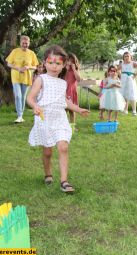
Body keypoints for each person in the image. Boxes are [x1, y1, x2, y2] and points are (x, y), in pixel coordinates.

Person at [27, 45, 89, 193]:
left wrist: (79, 109)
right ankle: (48, 173)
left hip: (60, 118)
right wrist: (35, 106)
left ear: (63, 65)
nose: (54, 66)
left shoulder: (63, 83)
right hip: (44, 119)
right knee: (47, 152)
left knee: (63, 147)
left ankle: (64, 182)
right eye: (51, 62)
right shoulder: (41, 79)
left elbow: (65, 102)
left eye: (58, 63)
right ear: (45, 63)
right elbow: (30, 97)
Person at [6, 35, 39, 123]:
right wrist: (18, 68)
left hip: (26, 78)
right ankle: (19, 116)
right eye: (23, 43)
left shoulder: (31, 53)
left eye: (26, 43)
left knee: (23, 97)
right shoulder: (15, 51)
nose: (25, 45)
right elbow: (9, 64)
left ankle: (21, 115)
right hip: (16, 77)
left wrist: (28, 67)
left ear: (29, 43)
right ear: (20, 43)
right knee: (18, 96)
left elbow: (35, 67)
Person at [118, 52, 137, 116]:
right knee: (124, 94)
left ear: (130, 57)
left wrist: (135, 75)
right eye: (125, 56)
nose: (126, 57)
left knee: (132, 94)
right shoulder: (122, 64)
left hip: (130, 80)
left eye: (128, 56)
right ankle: (125, 110)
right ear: (123, 57)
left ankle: (134, 111)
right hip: (123, 80)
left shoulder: (133, 63)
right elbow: (117, 70)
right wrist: (120, 75)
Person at [64, 53, 81, 130]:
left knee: (72, 110)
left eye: (71, 60)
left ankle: (72, 126)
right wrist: (66, 69)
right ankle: (64, 126)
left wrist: (74, 69)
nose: (70, 62)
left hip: (72, 91)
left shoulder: (75, 70)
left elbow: (78, 79)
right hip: (65, 91)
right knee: (64, 110)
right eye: (68, 60)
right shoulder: (64, 69)